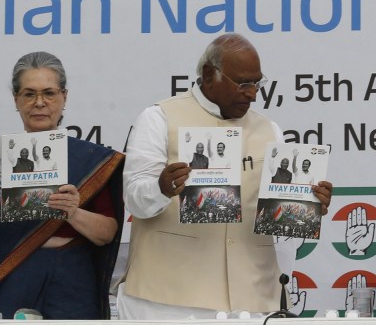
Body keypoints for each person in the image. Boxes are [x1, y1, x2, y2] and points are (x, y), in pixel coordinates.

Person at [119, 34, 333, 319]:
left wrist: (307, 206)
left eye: (257, 84)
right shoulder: (159, 118)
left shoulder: (270, 131)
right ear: (209, 75)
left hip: (251, 301)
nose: (253, 93)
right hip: (169, 301)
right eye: (243, 83)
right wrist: (161, 188)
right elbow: (134, 199)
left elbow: (282, 229)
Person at [0, 52, 125, 319]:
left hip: (71, 277)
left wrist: (74, 211)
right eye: (29, 94)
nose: (39, 103)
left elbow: (107, 233)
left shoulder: (90, 159)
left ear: (64, 97)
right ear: (16, 99)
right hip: (11, 273)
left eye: (49, 93)